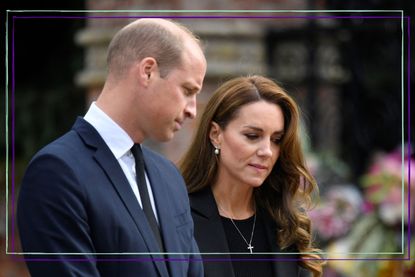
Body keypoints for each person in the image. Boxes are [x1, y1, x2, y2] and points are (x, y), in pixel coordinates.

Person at [17, 18, 207, 277]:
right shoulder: (56, 172)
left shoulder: (169, 177)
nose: (192, 111)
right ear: (148, 71)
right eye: (187, 90)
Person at [180, 76, 324, 277]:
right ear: (215, 135)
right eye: (252, 136)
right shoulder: (179, 217)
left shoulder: (284, 219)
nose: (267, 151)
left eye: (276, 139)